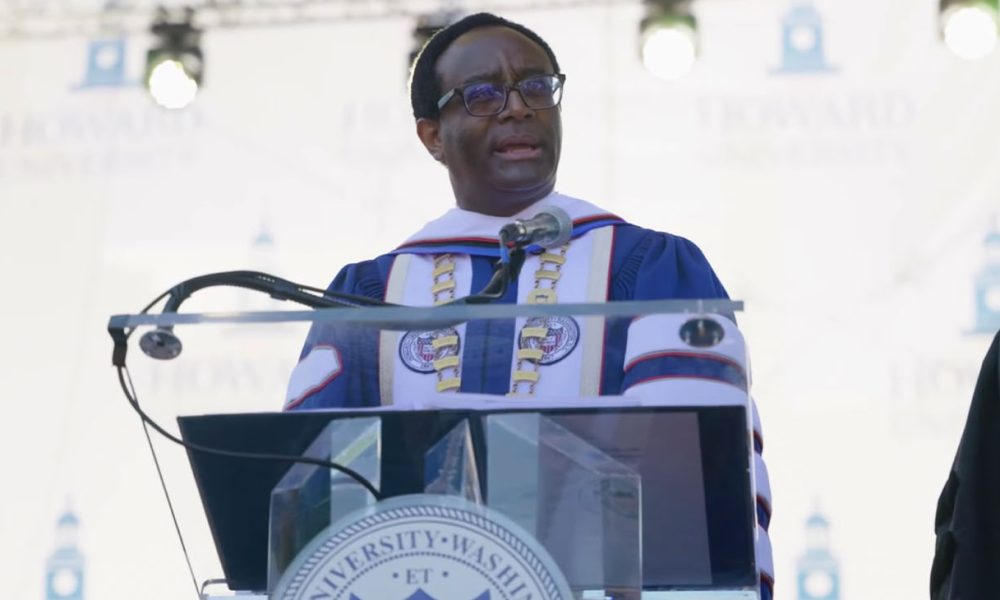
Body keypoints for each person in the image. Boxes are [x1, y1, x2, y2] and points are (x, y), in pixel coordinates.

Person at [284, 12, 773, 599]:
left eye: (536, 87)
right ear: (433, 135)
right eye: (483, 94)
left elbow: (696, 489)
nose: (518, 108)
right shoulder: (369, 294)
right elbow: (309, 497)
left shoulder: (648, 267)